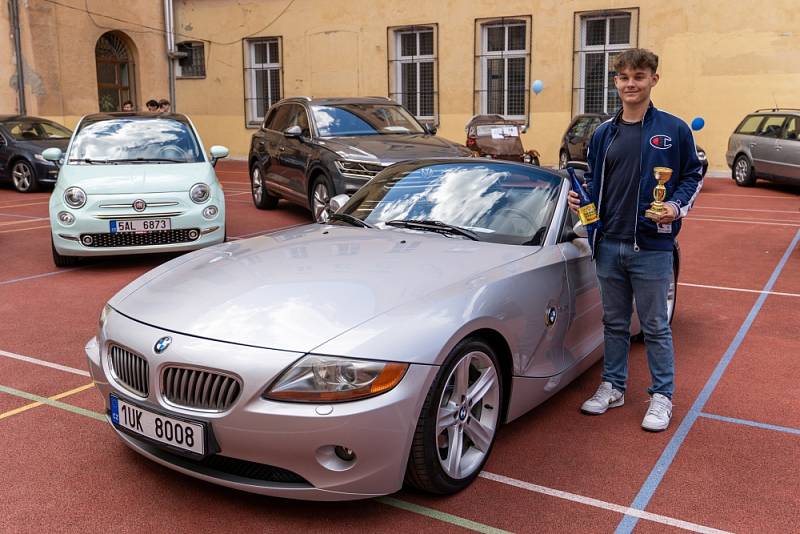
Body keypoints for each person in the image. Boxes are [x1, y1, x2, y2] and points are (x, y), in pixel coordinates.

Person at [567, 48, 703, 432]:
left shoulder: (674, 130)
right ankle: (613, 386)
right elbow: (596, 180)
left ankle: (662, 395)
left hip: (652, 248)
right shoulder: (603, 133)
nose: (631, 84)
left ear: (653, 80)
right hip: (607, 244)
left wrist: (675, 207)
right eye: (624, 77)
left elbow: (693, 176)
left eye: (639, 77)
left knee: (655, 325)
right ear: (616, 82)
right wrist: (584, 197)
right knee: (613, 322)